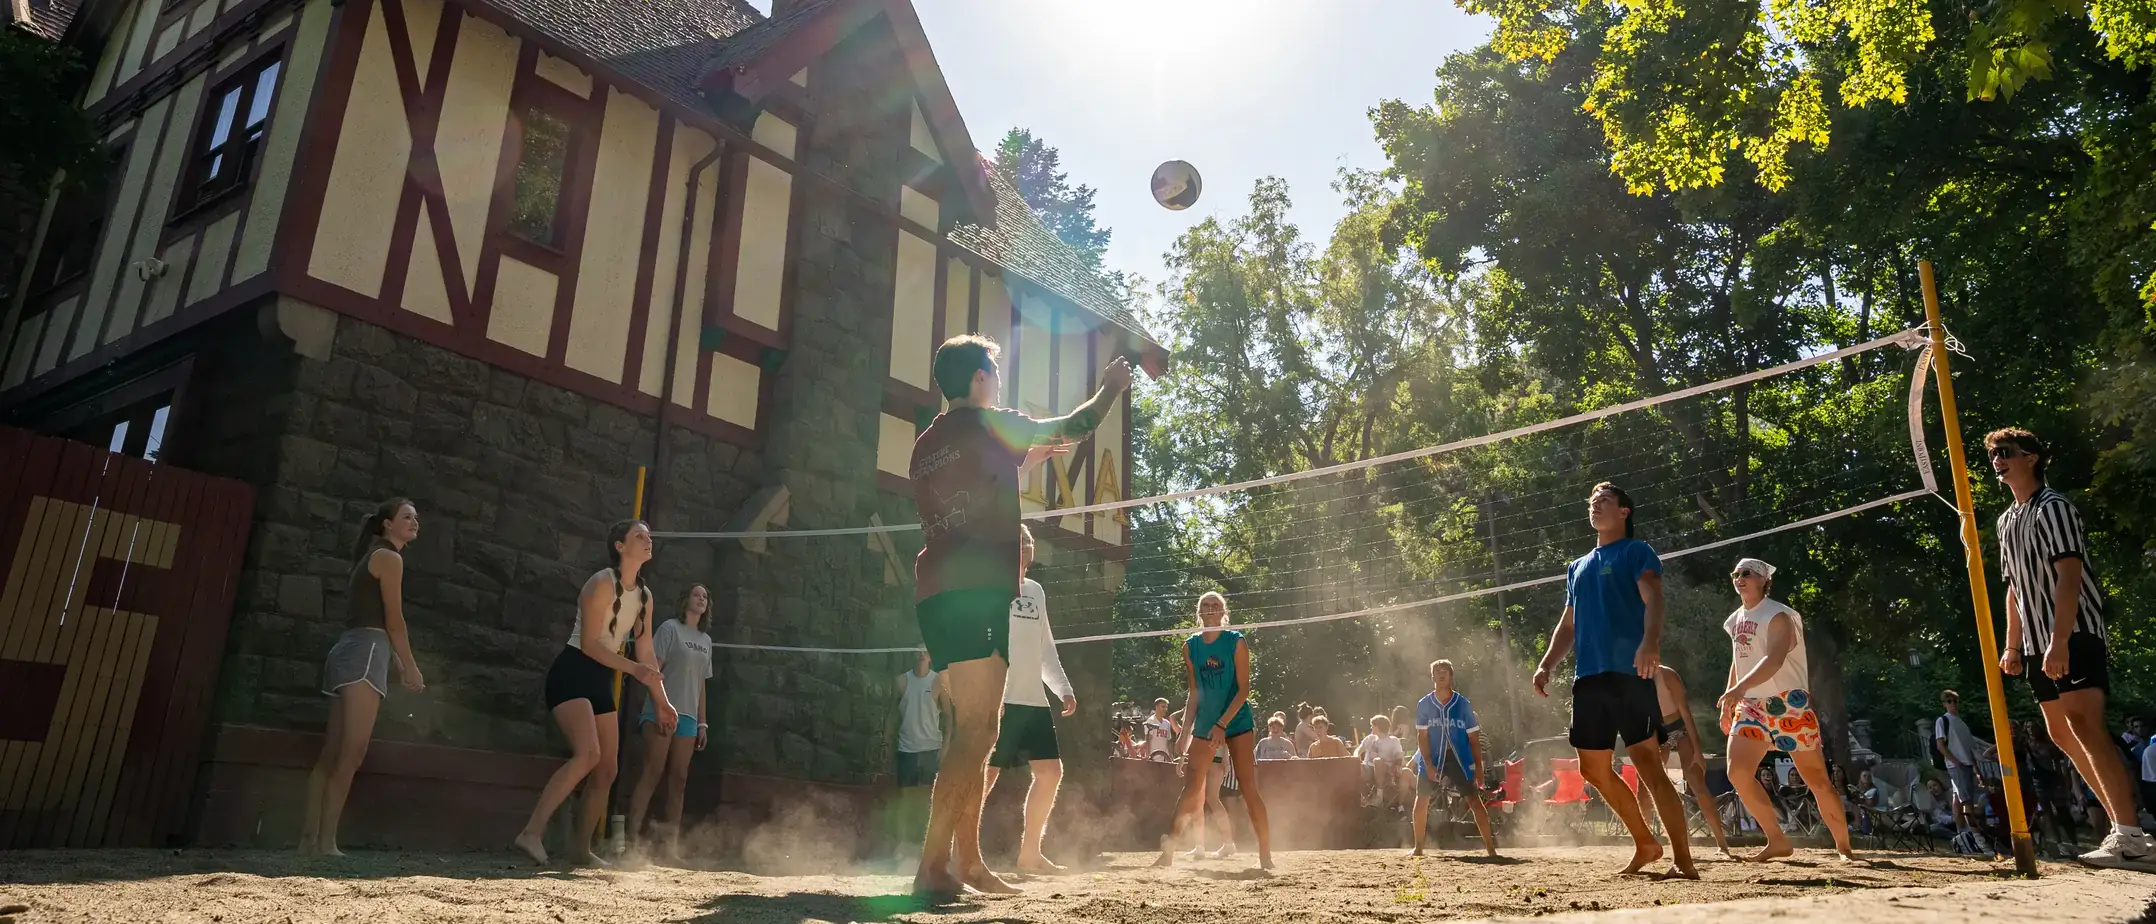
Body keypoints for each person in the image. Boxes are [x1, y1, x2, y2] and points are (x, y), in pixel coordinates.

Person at [907, 335, 1131, 897]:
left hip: (935, 592)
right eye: (995, 375)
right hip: (978, 591)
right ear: (980, 379)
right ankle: (934, 867)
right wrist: (1110, 389)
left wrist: (1026, 457)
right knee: (979, 731)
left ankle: (967, 864)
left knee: (970, 731)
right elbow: (1077, 425)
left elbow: (979, 484)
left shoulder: (927, 443)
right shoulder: (989, 423)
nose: (999, 385)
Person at [1987, 427, 2149, 867]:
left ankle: (2132, 832)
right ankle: (2125, 829)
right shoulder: (2006, 521)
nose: (1997, 461)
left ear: (2032, 457)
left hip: (2073, 633)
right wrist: (2012, 645)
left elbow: (2070, 577)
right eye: (1993, 456)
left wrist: (2059, 642)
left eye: (2005, 453)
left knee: (2086, 727)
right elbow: (2013, 589)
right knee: (2061, 733)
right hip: (2037, 643)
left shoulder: (2054, 507)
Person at [1530, 482, 1695, 878]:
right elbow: (1568, 625)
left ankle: (1683, 861)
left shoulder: (1636, 552)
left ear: (1624, 511)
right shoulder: (1577, 566)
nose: (1596, 506)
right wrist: (1547, 663)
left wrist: (1649, 642)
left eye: (1605, 500)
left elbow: (1654, 599)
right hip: (1588, 678)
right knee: (1593, 770)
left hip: (1630, 672)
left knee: (1648, 765)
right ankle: (1645, 843)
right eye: (1592, 502)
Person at [514, 520, 676, 866]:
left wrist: (663, 703)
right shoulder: (601, 582)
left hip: (601, 676)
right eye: (639, 536)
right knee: (588, 754)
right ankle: (531, 833)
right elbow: (589, 645)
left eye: (649, 536)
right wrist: (632, 669)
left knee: (607, 770)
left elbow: (645, 653)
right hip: (572, 671)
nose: (649, 540)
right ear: (620, 546)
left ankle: (579, 849)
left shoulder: (645, 597)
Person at [299, 499, 425, 856]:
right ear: (387, 524)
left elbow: (378, 621)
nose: (415, 521)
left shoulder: (373, 555)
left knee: (333, 751)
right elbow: (394, 620)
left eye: (416, 517)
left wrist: (398, 663)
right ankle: (326, 842)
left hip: (348, 651)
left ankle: (310, 840)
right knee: (352, 752)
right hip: (365, 653)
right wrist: (411, 665)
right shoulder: (390, 558)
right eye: (407, 516)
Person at [1715, 557, 1856, 862]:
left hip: (1788, 703)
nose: (1739, 578)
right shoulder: (1734, 619)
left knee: (1817, 779)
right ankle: (1777, 841)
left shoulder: (1778, 614)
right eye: (1735, 573)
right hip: (1751, 705)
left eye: (1746, 574)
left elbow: (1774, 659)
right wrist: (1730, 699)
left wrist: (1737, 690)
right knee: (1737, 773)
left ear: (1763, 580)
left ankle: (1844, 848)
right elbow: (1738, 662)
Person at [1155, 592, 1273, 870]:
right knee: (1192, 787)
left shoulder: (1236, 642)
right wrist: (1184, 733)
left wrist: (1223, 725)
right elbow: (1194, 692)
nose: (1210, 609)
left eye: (1215, 605)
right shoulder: (1191, 647)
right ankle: (1168, 853)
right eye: (1205, 605)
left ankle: (1265, 856)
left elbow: (1244, 690)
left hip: (1237, 721)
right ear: (1199, 612)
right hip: (1207, 723)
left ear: (1223, 611)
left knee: (1247, 787)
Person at [984, 526, 1077, 875]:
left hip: (1034, 701)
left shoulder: (1036, 592)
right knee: (986, 776)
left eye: (1027, 542)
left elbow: (1045, 649)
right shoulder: (992, 589)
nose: (1023, 547)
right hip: (1002, 698)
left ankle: (1030, 856)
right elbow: (984, 644)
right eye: (1017, 541)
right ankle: (956, 852)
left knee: (1051, 773)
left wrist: (1063, 688)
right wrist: (990, 692)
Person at [626, 583, 715, 858]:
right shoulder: (669, 628)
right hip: (661, 710)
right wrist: (660, 706)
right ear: (685, 599)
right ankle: (629, 843)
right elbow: (654, 669)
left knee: (679, 778)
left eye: (705, 596)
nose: (701, 598)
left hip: (688, 717)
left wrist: (702, 723)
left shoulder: (706, 641)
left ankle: (669, 847)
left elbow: (701, 683)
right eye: (696, 593)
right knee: (652, 771)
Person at [1409, 659, 1496, 857]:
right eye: (1437, 671)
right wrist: (1428, 764)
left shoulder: (1463, 704)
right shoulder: (1424, 704)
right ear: (1432, 676)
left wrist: (1479, 769)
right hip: (1434, 756)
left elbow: (1473, 739)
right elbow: (1421, 737)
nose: (1441, 675)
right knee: (1421, 799)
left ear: (1451, 676)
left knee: (1474, 800)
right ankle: (1418, 847)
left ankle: (1491, 848)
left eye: (1445, 671)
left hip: (1459, 758)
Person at [1654, 665, 1732, 856]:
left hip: (1679, 728)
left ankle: (1722, 844)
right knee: (1649, 785)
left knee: (1697, 784)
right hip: (1657, 731)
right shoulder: (1633, 677)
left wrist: (1698, 751)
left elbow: (1686, 713)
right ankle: (1649, 841)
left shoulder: (1667, 675)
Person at [892, 649, 949, 853]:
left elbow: (950, 718)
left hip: (931, 749)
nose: (921, 654)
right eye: (917, 650)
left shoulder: (939, 681)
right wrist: (885, 742)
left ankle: (928, 847)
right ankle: (903, 845)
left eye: (925, 650)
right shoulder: (900, 681)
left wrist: (946, 747)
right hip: (907, 748)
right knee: (905, 800)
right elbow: (892, 715)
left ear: (931, 655)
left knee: (930, 800)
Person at [1934, 690, 1989, 836]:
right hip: (1957, 765)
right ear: (1944, 704)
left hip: (1967, 764)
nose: (1953, 704)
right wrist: (1955, 762)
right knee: (1967, 800)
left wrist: (1977, 771)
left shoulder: (1962, 724)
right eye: (1949, 701)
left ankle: (1962, 833)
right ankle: (1975, 834)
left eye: (1955, 701)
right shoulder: (1942, 721)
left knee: (1958, 798)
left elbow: (1970, 750)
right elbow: (1940, 745)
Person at [1356, 715, 1407, 806]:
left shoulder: (1393, 740)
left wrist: (1397, 766)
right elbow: (1358, 751)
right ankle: (1362, 797)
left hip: (1385, 769)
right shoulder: (1370, 738)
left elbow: (1399, 756)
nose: (1371, 727)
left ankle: (1379, 797)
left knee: (1377, 761)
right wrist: (1356, 760)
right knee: (1353, 766)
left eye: (1372, 725)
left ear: (1377, 726)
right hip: (1368, 768)